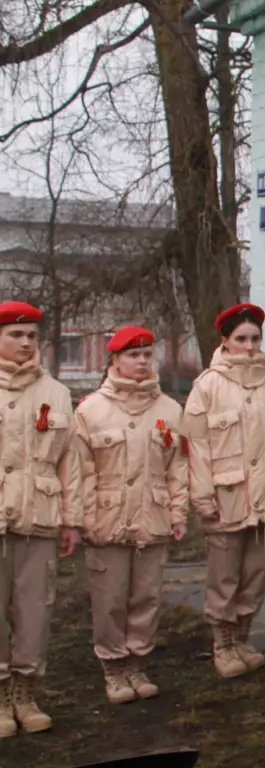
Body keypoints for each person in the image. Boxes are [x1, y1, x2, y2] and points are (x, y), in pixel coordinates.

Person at [182, 303, 265, 679]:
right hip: (227, 498)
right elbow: (196, 448)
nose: (250, 346)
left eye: (255, 339)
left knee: (255, 573)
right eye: (241, 339)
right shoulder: (207, 387)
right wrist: (203, 497)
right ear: (226, 342)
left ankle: (242, 638)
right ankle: (222, 643)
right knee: (225, 577)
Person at [73, 327, 188, 704]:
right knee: (110, 600)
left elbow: (178, 468)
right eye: (133, 356)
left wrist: (178, 512)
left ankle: (138, 663)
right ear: (114, 360)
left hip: (151, 518)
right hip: (108, 521)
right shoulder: (91, 410)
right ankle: (113, 667)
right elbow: (82, 471)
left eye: (146, 355)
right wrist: (86, 518)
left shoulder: (170, 410)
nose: (141, 362)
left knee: (146, 597)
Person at [0, 301, 82, 737]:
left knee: (35, 610)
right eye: (16, 335)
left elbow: (70, 464)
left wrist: (72, 519)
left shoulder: (55, 393)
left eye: (32, 335)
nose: (26, 343)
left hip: (40, 516)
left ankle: (25, 695)